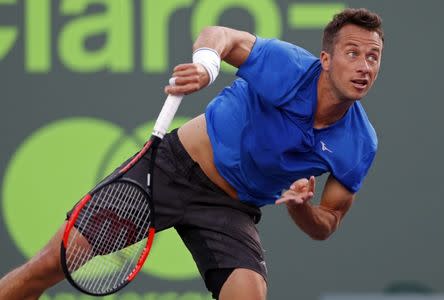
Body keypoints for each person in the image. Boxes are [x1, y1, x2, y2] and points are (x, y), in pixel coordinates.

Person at [0, 7, 384, 300]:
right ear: (326, 60)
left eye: (373, 57)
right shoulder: (288, 67)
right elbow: (221, 36)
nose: (364, 66)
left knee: (249, 294)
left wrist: (302, 207)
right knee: (50, 265)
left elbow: (327, 222)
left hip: (231, 208)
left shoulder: (359, 143)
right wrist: (207, 65)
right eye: (353, 53)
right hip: (170, 170)